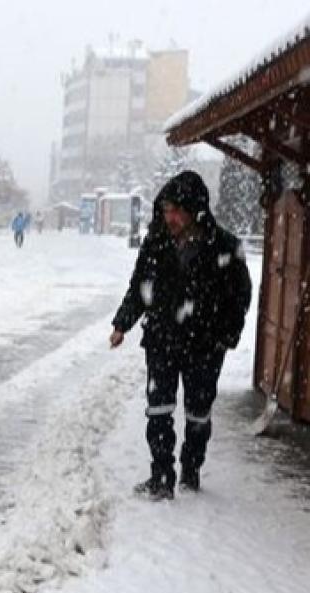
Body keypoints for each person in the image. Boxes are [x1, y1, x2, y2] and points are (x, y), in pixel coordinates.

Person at [109, 171, 252, 500]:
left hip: (205, 344)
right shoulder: (156, 241)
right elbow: (140, 287)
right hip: (161, 338)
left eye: (176, 211)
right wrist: (122, 324)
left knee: (198, 411)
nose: (169, 217)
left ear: (195, 210)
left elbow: (240, 295)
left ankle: (191, 468)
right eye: (166, 210)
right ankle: (161, 476)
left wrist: (226, 336)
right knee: (158, 408)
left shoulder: (225, 246)